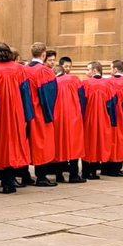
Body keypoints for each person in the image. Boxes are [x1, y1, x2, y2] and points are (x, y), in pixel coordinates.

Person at [0, 42, 32, 193]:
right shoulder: (20, 69)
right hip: (16, 113)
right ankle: (9, 181)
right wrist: (28, 115)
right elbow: (26, 93)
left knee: (0, 144)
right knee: (13, 144)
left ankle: (2, 177)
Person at [24, 43, 60, 187]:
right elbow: (50, 95)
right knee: (42, 144)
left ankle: (25, 175)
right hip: (40, 112)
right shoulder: (44, 71)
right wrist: (49, 113)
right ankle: (41, 177)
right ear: (43, 55)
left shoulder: (24, 69)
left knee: (27, 144)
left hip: (26, 111)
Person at [81, 61, 117, 181]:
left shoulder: (85, 83)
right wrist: (112, 120)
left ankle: (86, 171)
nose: (86, 72)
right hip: (103, 118)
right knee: (99, 142)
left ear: (95, 71)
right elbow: (111, 104)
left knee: (88, 143)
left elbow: (81, 103)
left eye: (88, 70)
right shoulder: (108, 84)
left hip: (88, 118)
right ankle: (94, 170)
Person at [53, 56, 87, 184]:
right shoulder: (75, 79)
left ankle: (59, 175)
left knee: (59, 145)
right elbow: (81, 98)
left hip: (58, 117)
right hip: (74, 116)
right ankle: (74, 175)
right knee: (75, 145)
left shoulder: (53, 81)